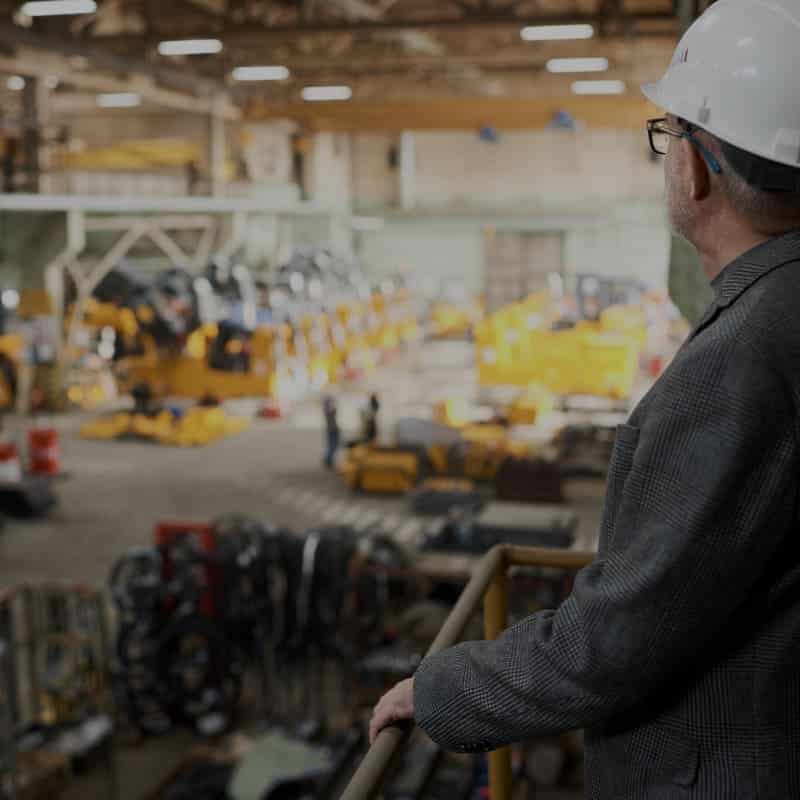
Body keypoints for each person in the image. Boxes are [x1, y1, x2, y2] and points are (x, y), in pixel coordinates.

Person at [369, 2, 800, 797]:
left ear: (699, 165)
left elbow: (623, 635)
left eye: (668, 135)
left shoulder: (742, 359)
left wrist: (442, 691)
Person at [322, 394, 340, 469]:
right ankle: (328, 460)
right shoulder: (328, 409)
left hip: (331, 429)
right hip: (332, 429)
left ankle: (328, 460)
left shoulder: (327, 409)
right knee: (332, 445)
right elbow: (333, 411)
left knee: (332, 445)